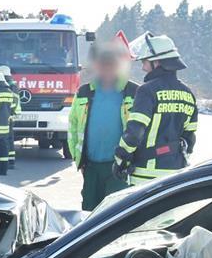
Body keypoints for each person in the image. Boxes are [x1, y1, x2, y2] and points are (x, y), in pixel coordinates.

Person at [113, 33, 197, 186]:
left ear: (157, 62)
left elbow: (134, 133)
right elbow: (190, 138)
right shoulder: (188, 93)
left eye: (145, 61)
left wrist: (120, 159)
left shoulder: (147, 91)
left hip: (146, 176)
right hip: (176, 175)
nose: (143, 67)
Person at [68, 40, 139, 210]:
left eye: (111, 64)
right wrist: (79, 159)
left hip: (120, 167)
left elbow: (141, 128)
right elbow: (73, 126)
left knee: (115, 213)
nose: (106, 69)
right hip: (91, 166)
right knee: (88, 213)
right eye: (102, 64)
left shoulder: (133, 91)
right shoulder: (84, 92)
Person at [0, 65, 20, 166]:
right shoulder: (12, 85)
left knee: (7, 137)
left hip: (9, 114)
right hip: (11, 113)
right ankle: (10, 159)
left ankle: (10, 160)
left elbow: (11, 102)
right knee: (9, 137)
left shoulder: (10, 86)